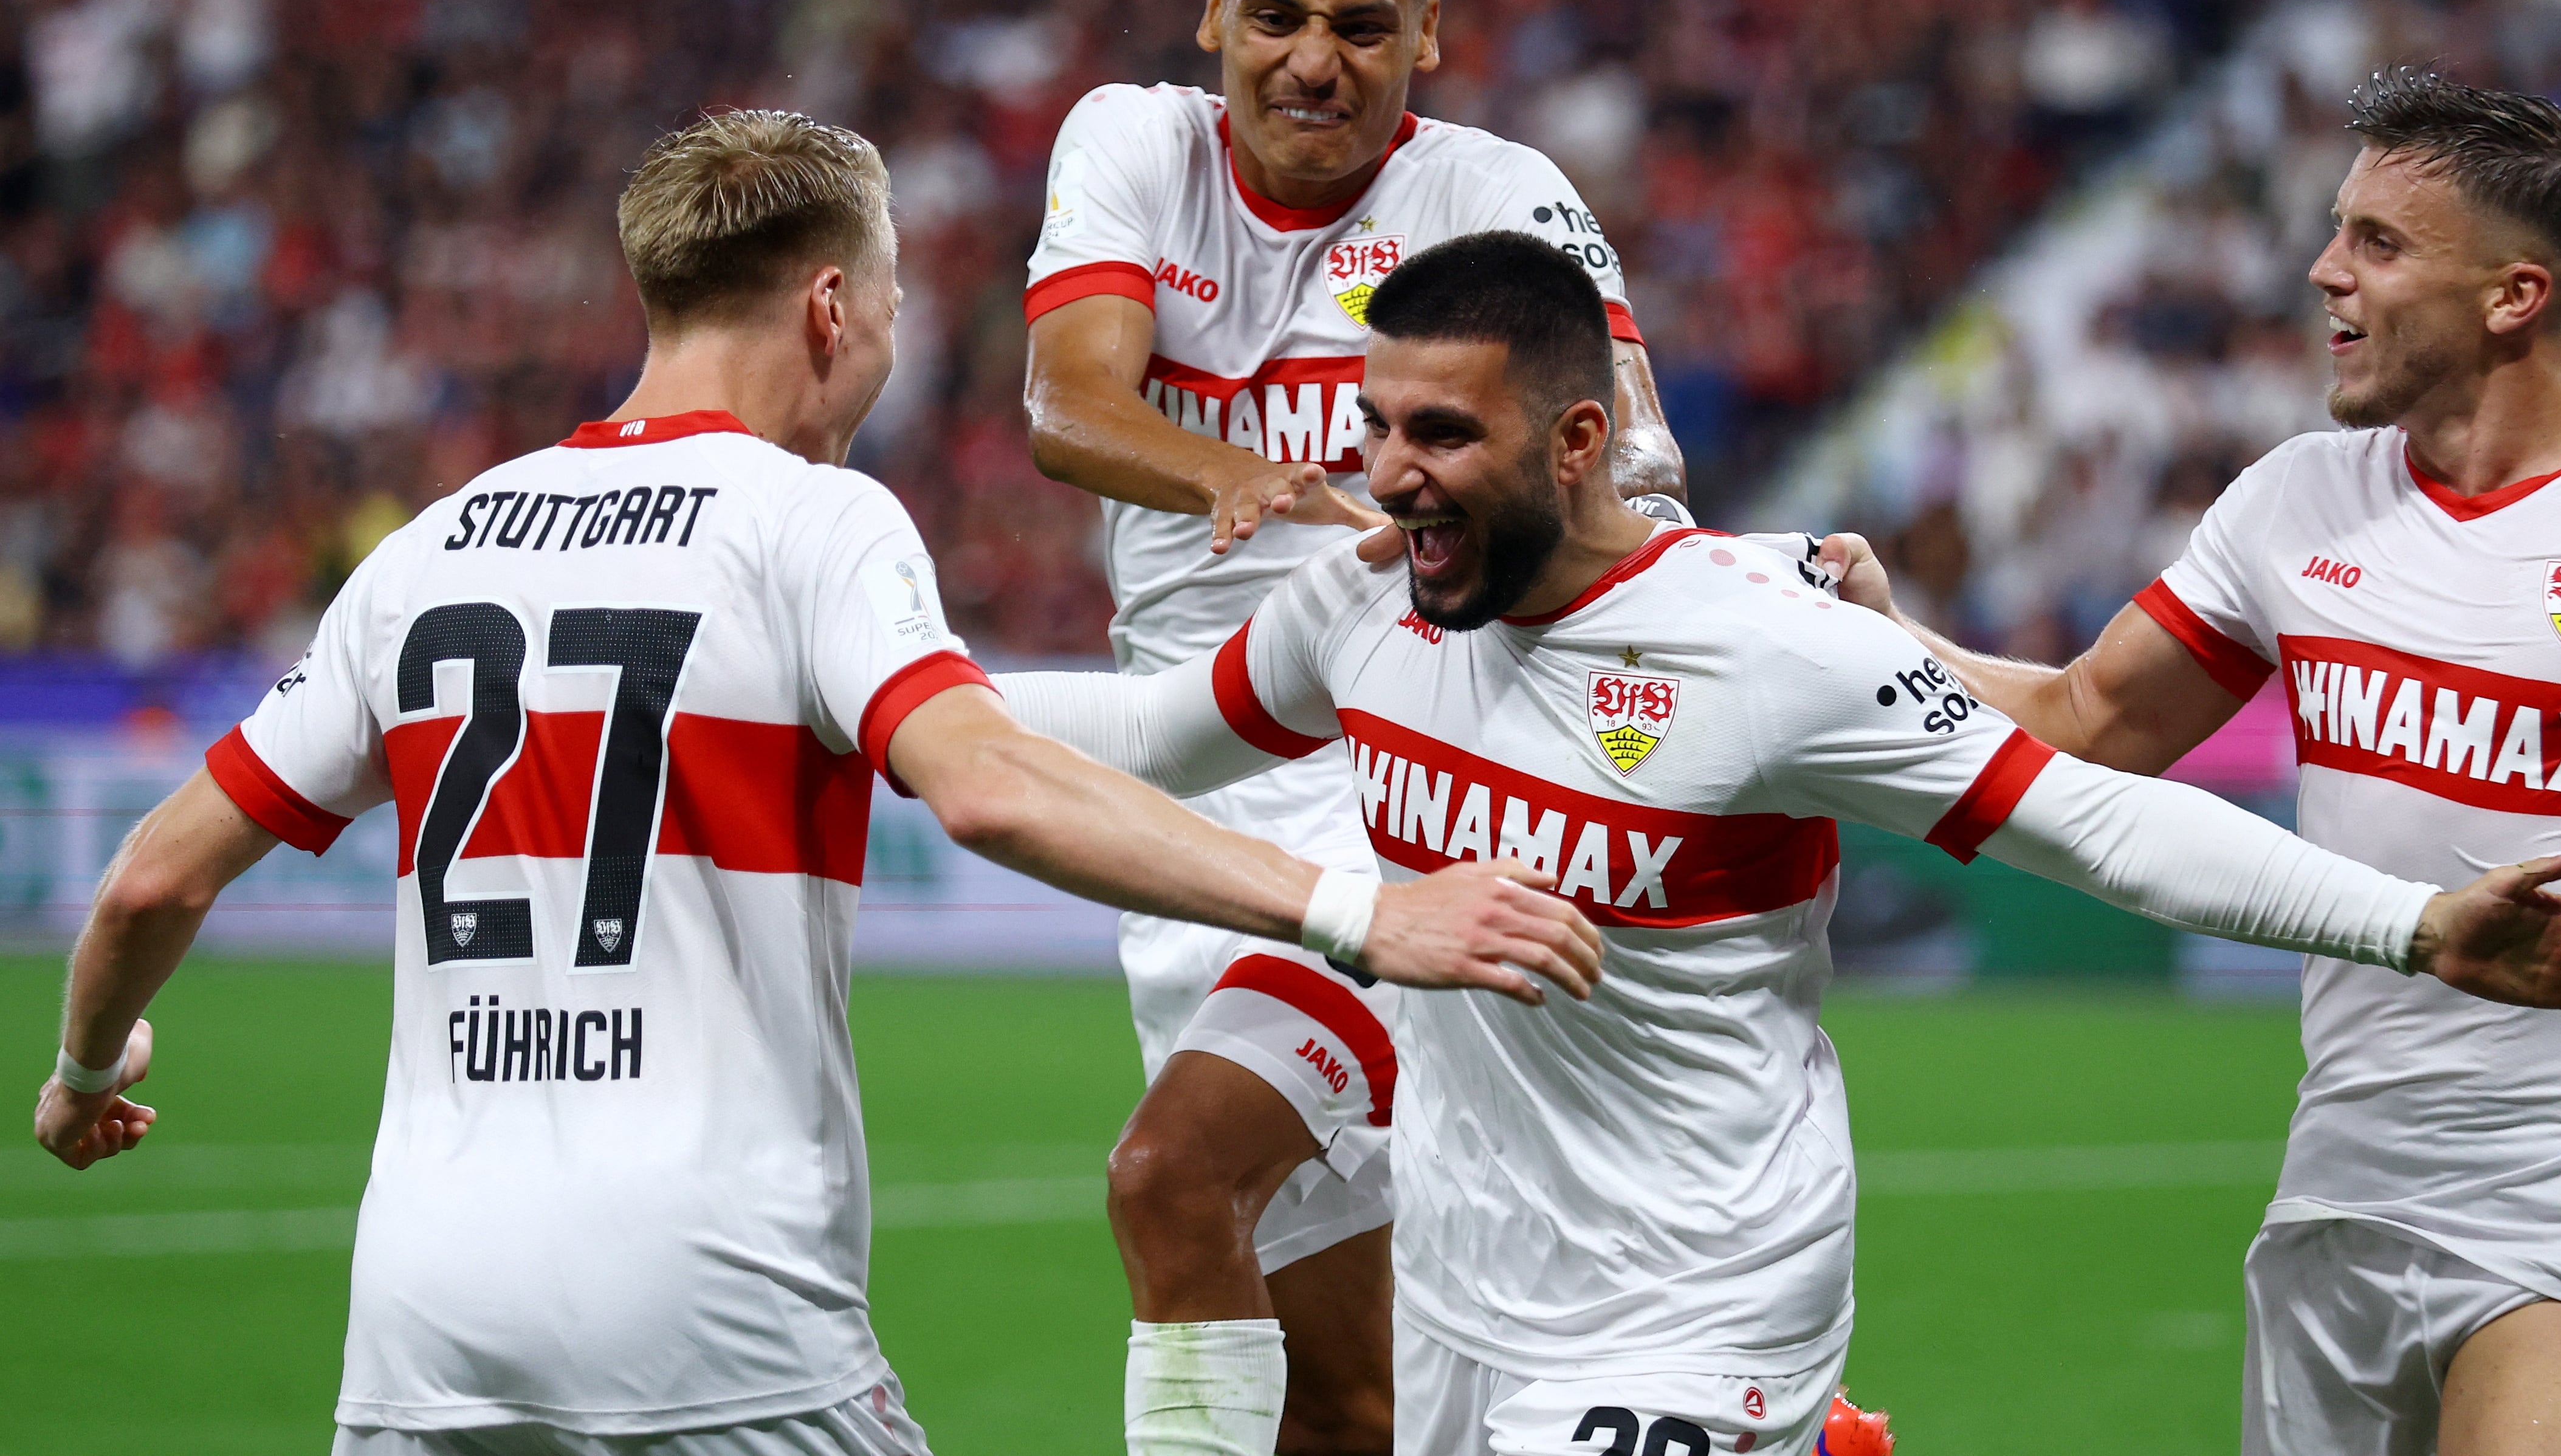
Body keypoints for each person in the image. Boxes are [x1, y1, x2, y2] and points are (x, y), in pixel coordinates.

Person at [29, 111, 1604, 1456]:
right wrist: (1356, 909)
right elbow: (987, 788)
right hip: (716, 1307)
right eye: (902, 306)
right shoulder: (811, 523)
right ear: (835, 305)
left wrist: (89, 1075)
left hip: (424, 1323)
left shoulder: (428, 550)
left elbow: (155, 879)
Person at [993, 230, 2561, 1456]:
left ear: (1579, 444)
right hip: (1464, 1301)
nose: (1392, 481)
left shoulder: (1767, 647)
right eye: (1378, 428)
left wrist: (2414, 925)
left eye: (1444, 437)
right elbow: (1148, 742)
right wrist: (891, 699)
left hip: (1700, 1309)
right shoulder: (1363, 608)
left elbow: (2098, 827)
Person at [1821, 70, 2561, 1455]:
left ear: (2513, 296)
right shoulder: (2295, 498)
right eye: (2335, 230)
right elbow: (2085, 716)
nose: (2323, 270)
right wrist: (1880, 638)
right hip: (2338, 1205)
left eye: (2377, 242)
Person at [1018, 0, 1686, 1454]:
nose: (1313, 60)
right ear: (1212, 21)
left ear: (1428, 41)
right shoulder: (1135, 145)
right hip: (1191, 826)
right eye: (1277, 19)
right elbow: (1066, 403)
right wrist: (1238, 477)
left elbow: (1644, 481)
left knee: (1173, 1178)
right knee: (1346, 1402)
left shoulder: (1495, 194)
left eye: (1362, 28)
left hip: (1405, 806)